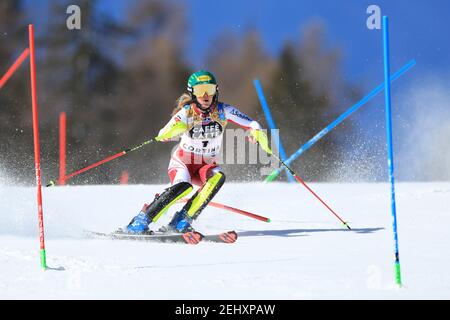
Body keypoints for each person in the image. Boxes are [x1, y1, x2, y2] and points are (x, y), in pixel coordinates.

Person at [125, 70, 270, 234]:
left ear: (216, 89)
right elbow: (162, 135)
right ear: (193, 93)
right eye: (200, 91)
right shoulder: (187, 112)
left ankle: (182, 220)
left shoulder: (223, 110)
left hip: (205, 165)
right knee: (183, 187)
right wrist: (176, 129)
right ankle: (140, 221)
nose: (206, 95)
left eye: (210, 89)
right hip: (183, 163)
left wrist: (256, 133)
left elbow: (253, 124)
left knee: (218, 177)